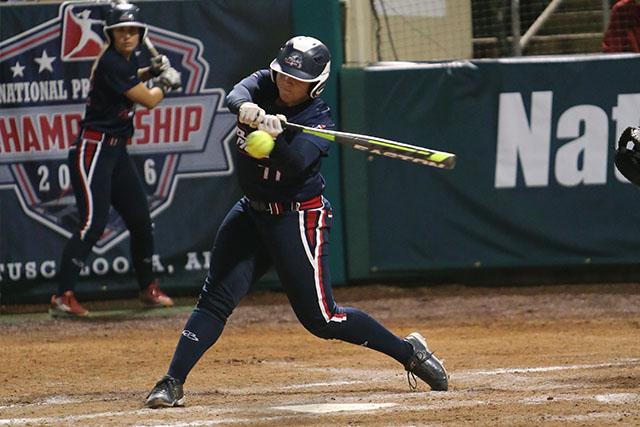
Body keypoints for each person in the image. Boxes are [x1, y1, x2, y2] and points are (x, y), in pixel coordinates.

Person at [144, 36, 448, 408]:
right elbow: (235, 95)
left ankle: (409, 353)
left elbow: (295, 164)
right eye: (284, 73)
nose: (287, 81)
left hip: (298, 217)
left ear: (315, 84)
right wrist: (248, 111)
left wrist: (275, 139)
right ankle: (172, 382)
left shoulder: (318, 121)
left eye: (297, 78)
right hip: (252, 213)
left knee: (322, 319)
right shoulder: (262, 83)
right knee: (214, 300)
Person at [50, 3, 181, 317]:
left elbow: (131, 78)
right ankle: (62, 296)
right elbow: (148, 100)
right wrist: (164, 82)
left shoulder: (125, 60)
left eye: (133, 30)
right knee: (92, 224)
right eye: (121, 30)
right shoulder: (111, 61)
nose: (128, 36)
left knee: (140, 221)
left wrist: (150, 71)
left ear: (140, 33)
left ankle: (147, 287)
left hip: (117, 151)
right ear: (110, 33)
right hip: (92, 149)